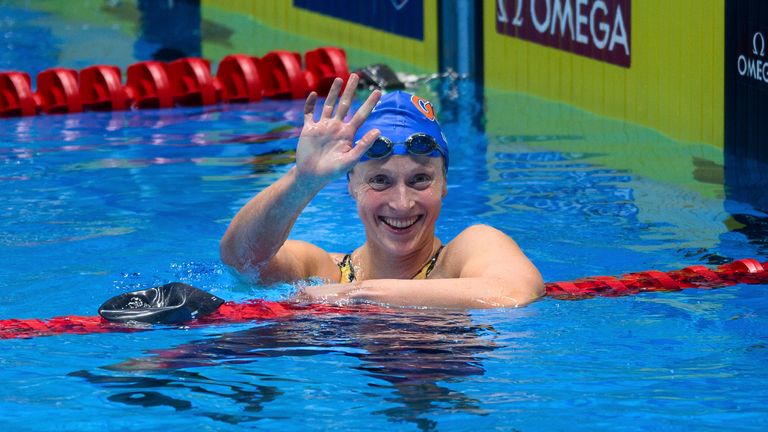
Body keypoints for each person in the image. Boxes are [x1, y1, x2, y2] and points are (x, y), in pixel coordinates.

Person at [220, 74, 544, 308]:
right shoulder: (325, 273)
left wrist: (357, 296)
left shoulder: (465, 256)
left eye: (420, 179)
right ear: (351, 186)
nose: (402, 203)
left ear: (444, 184)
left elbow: (512, 292)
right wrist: (302, 181)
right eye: (380, 181)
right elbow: (242, 261)